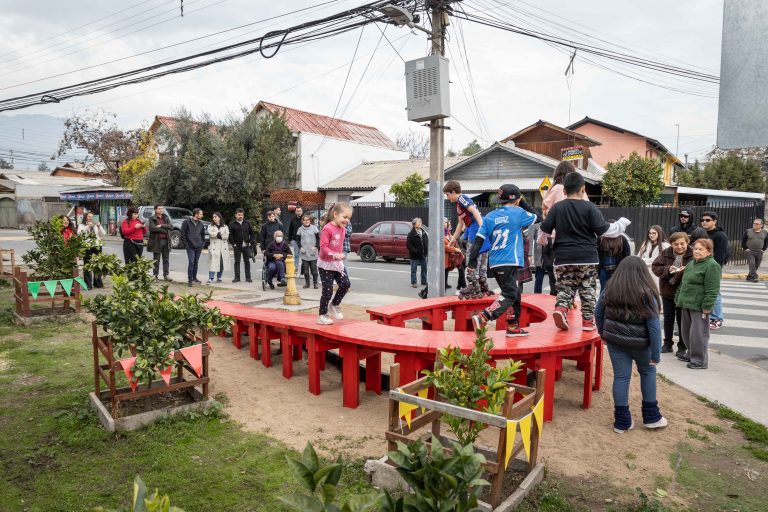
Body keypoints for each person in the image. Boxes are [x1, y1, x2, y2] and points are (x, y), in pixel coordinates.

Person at [539, 172, 630, 331]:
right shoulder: (590, 207)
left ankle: (561, 309)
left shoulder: (557, 208)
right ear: (583, 189)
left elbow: (544, 229)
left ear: (564, 191)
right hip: (587, 257)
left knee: (565, 287)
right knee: (587, 289)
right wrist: (621, 224)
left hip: (563, 257)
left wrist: (543, 240)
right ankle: (588, 322)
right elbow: (605, 230)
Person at [595, 256, 667, 434]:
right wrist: (656, 353)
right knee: (648, 372)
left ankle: (622, 422)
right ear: (643, 272)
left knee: (621, 378)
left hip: (615, 343)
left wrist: (603, 333)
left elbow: (598, 313)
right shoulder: (648, 293)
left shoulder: (610, 288)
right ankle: (651, 417)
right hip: (642, 344)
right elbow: (654, 327)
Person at [469, 185, 538, 337]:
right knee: (511, 293)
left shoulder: (489, 217)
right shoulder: (518, 212)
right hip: (510, 261)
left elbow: (478, 241)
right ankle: (484, 316)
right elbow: (537, 216)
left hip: (494, 262)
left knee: (515, 293)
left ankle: (513, 326)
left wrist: (471, 263)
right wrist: (522, 203)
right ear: (516, 200)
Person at [675, 238, 721, 369]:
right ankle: (691, 354)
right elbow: (683, 283)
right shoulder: (691, 264)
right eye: (695, 248)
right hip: (686, 303)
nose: (697, 251)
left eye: (701, 249)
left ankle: (699, 360)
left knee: (698, 334)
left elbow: (713, 289)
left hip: (699, 306)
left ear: (708, 251)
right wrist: (678, 298)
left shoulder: (712, 265)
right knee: (686, 332)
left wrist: (707, 306)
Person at [444, 180, 493, 297]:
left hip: (476, 230)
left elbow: (475, 211)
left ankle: (472, 287)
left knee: (471, 258)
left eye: (447, 194)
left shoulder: (462, 199)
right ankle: (482, 286)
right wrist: (453, 239)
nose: (447, 197)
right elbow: (460, 224)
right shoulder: (459, 204)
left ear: (453, 192)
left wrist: (481, 228)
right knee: (482, 260)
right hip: (478, 230)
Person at [652, 231, 694, 356]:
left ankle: (682, 346)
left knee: (682, 320)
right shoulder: (665, 253)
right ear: (671, 244)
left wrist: (685, 271)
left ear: (687, 243)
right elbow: (655, 267)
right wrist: (668, 269)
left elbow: (697, 271)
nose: (679, 247)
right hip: (668, 291)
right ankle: (668, 343)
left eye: (682, 244)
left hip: (683, 293)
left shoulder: (693, 254)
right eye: (676, 244)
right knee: (668, 319)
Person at [317, 203, 353, 325]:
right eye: (345, 217)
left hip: (337, 263)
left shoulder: (343, 229)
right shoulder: (327, 229)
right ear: (335, 214)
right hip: (325, 264)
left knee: (345, 284)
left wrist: (340, 255)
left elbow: (339, 244)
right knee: (327, 291)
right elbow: (323, 248)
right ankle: (322, 315)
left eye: (349, 218)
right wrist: (335, 255)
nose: (347, 220)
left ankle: (334, 304)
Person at [701, 211, 728, 330]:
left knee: (714, 292)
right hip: (701, 267)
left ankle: (717, 318)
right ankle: (706, 315)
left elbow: (720, 256)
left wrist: (715, 270)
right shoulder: (702, 233)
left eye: (707, 220)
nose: (704, 222)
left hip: (713, 269)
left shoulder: (720, 235)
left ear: (714, 221)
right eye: (703, 220)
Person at [78, 212, 106, 288]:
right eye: (88, 216)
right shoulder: (82, 225)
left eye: (92, 216)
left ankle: (98, 283)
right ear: (85, 217)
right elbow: (79, 234)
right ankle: (88, 284)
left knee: (98, 264)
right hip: (87, 246)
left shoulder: (96, 225)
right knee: (88, 265)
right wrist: (87, 227)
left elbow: (103, 234)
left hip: (97, 246)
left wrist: (99, 226)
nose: (90, 218)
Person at [228, 208, 255, 283]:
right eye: (239, 215)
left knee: (247, 262)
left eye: (242, 215)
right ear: (235, 215)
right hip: (237, 246)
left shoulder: (247, 223)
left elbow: (252, 233)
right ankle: (237, 277)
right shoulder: (232, 224)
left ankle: (248, 277)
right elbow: (230, 235)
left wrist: (250, 242)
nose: (240, 216)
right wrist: (233, 244)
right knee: (237, 262)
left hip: (246, 245)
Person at [528, 222, 556, 295]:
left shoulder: (555, 222)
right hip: (541, 254)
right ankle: (537, 295)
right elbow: (529, 239)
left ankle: (554, 295)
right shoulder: (535, 225)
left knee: (552, 276)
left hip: (552, 253)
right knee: (539, 277)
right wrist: (529, 254)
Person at [147, 205, 173, 281]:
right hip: (157, 241)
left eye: (162, 209)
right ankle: (155, 275)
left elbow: (171, 227)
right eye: (159, 209)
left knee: (166, 259)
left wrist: (161, 225)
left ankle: (166, 275)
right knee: (156, 260)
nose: (161, 210)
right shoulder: (152, 218)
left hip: (166, 240)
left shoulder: (166, 217)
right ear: (155, 210)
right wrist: (164, 230)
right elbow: (152, 228)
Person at [181, 208, 206, 287]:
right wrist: (186, 245)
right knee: (191, 262)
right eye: (201, 214)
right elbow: (183, 234)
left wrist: (202, 244)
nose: (202, 215)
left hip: (199, 246)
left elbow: (203, 235)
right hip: (190, 246)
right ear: (196, 214)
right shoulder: (186, 222)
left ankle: (194, 278)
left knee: (196, 262)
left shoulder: (201, 224)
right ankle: (190, 280)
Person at [296, 213, 320, 289]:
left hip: (313, 252)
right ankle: (307, 284)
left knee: (314, 270)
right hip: (304, 252)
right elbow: (297, 240)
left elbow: (319, 239)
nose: (306, 221)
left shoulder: (314, 228)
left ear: (310, 220)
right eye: (305, 220)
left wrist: (316, 247)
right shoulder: (300, 229)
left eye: (308, 220)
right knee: (305, 271)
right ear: (302, 221)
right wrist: (300, 247)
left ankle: (315, 283)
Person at [741, 218, 767, 282]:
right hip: (750, 251)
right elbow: (743, 240)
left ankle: (749, 276)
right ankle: (755, 277)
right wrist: (746, 248)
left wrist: (763, 249)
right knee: (752, 264)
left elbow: (766, 241)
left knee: (756, 265)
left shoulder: (765, 232)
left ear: (761, 225)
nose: (754, 225)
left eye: (757, 224)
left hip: (759, 251)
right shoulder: (748, 231)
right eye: (754, 223)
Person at [207, 212, 230, 284]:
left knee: (222, 262)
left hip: (223, 247)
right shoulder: (210, 226)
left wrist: (220, 235)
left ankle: (219, 277)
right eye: (213, 217)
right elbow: (211, 234)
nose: (214, 218)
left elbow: (226, 235)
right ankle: (210, 278)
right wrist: (218, 234)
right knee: (213, 262)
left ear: (219, 217)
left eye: (215, 217)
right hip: (214, 246)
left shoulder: (225, 226)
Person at [406, 217, 428, 288]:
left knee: (424, 269)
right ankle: (414, 282)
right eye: (418, 222)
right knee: (413, 270)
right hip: (414, 255)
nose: (420, 223)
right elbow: (409, 245)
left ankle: (424, 281)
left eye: (420, 222)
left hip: (423, 254)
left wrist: (426, 251)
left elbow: (426, 242)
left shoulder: (424, 232)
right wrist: (415, 251)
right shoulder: (411, 234)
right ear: (414, 224)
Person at [287, 204, 304, 276]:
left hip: (304, 240)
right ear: (295, 212)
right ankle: (296, 269)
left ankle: (303, 271)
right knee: (296, 255)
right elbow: (290, 230)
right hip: (295, 240)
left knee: (303, 255)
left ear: (302, 211)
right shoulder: (293, 220)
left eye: (300, 211)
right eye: (297, 211)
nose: (299, 212)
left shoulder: (305, 219)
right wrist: (290, 239)